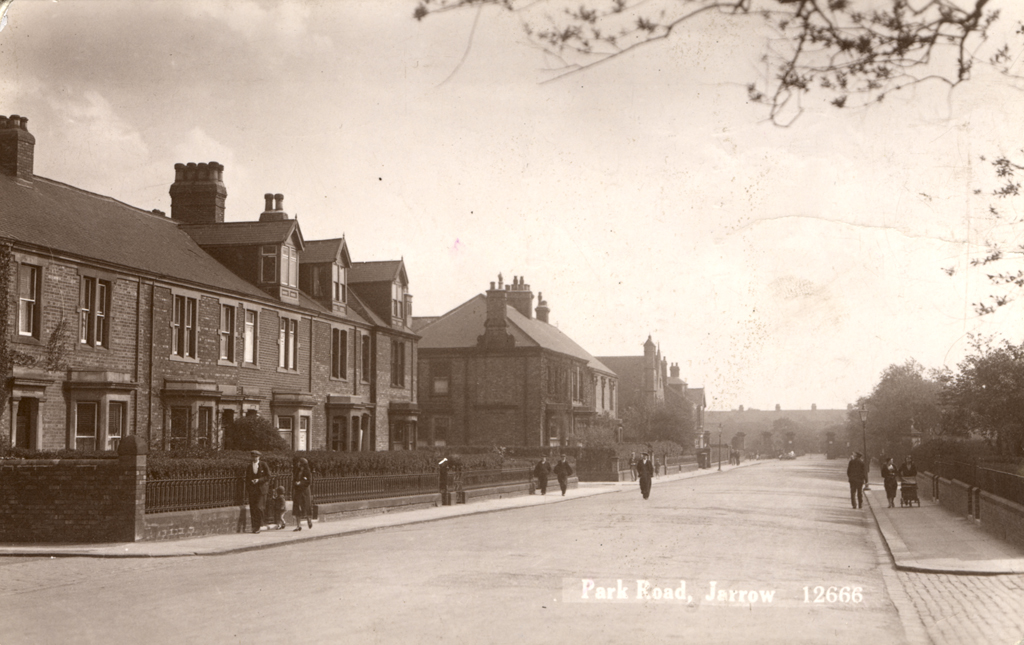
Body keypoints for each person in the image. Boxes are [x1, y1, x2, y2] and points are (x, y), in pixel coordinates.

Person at [244, 450, 272, 533]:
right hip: (253, 490)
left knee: (259, 507)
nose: (254, 458)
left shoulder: (263, 465)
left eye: (256, 457)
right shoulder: (249, 466)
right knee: (253, 508)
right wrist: (249, 486)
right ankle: (254, 527)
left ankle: (259, 525)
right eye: (253, 457)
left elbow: (268, 476)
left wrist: (259, 480)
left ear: (259, 457)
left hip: (261, 490)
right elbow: (247, 478)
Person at [292, 457, 313, 531]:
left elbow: (309, 481)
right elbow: (294, 480)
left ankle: (308, 519)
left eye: (300, 463)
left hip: (305, 492)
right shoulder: (297, 471)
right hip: (298, 491)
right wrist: (295, 483)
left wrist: (300, 483)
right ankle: (298, 526)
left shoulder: (307, 472)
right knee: (297, 507)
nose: (298, 464)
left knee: (306, 506)